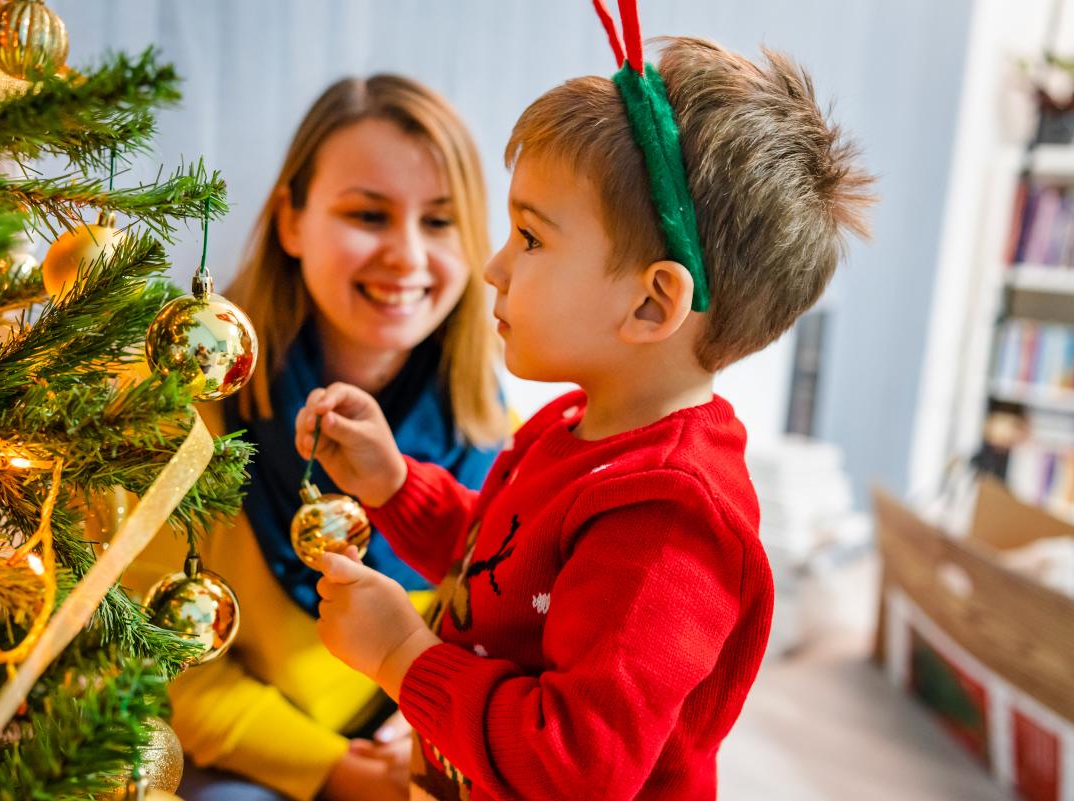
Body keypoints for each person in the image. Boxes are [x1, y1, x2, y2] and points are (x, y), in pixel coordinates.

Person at [293, 34, 875, 801]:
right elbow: (499, 568)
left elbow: (576, 765)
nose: (496, 266)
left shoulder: (669, 520)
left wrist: (403, 655)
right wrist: (394, 483)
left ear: (650, 301)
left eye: (530, 237)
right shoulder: (577, 422)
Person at [130, 74, 505, 801]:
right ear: (291, 221)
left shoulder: (502, 437)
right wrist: (330, 770)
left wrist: (428, 713)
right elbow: (158, 655)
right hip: (239, 765)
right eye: (369, 214)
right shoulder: (181, 409)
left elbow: (502, 639)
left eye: (439, 220)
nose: (406, 254)